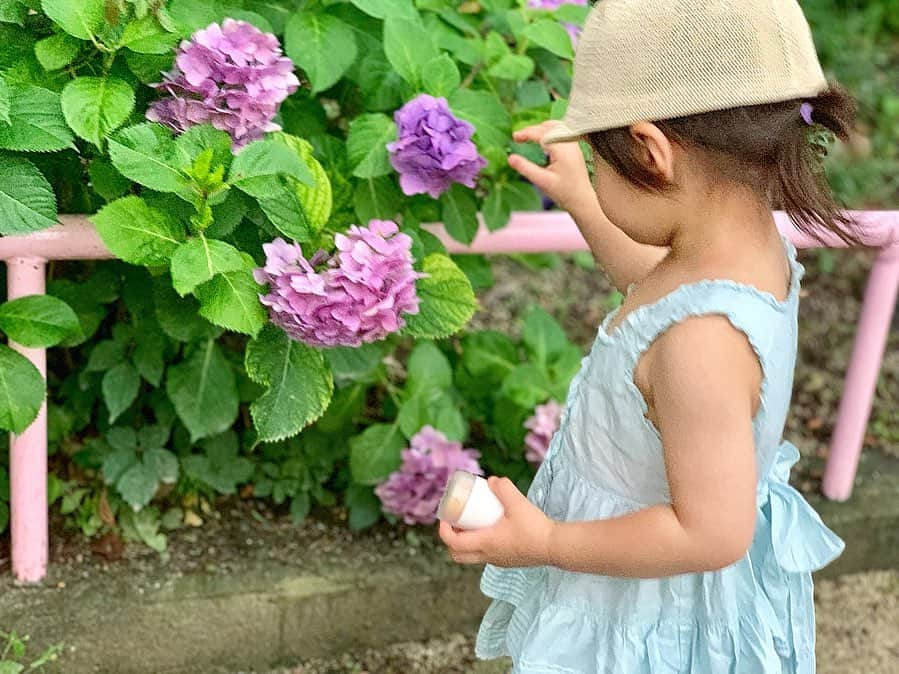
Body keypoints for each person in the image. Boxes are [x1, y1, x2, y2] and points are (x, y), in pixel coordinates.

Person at [439, 1, 857, 672]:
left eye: (600, 166)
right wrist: (583, 200)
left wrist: (545, 539)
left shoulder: (700, 344)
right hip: (650, 573)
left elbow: (711, 533)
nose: (596, 179)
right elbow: (653, 288)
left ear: (649, 151)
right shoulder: (738, 253)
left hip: (652, 610)